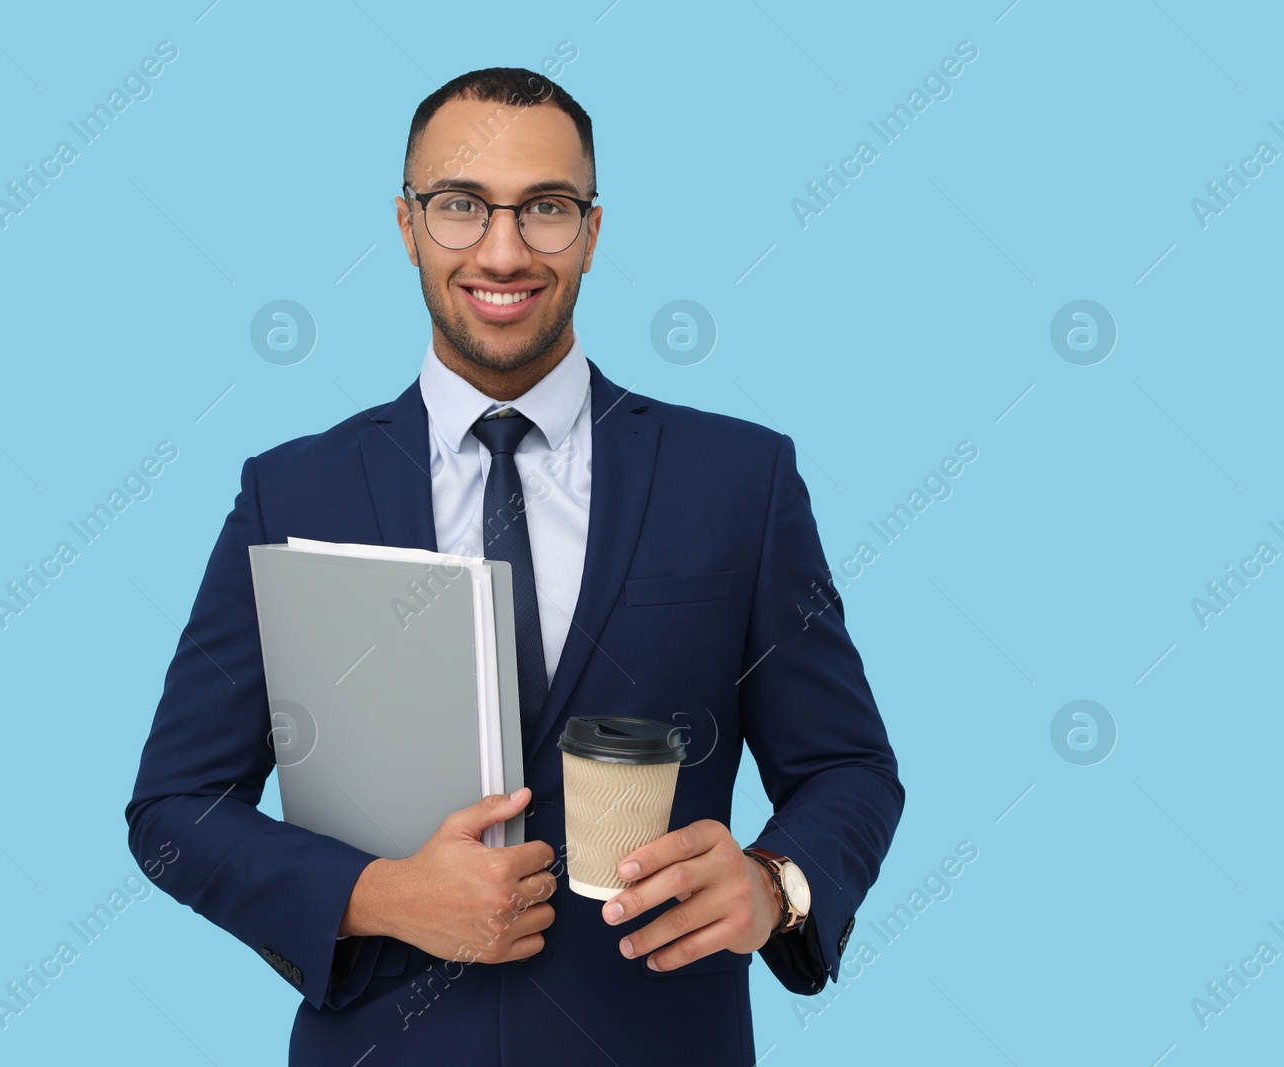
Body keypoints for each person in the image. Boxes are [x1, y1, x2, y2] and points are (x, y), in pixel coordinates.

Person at [126, 66, 903, 1065]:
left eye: (544, 207)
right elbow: (174, 808)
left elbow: (846, 766)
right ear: (406, 225)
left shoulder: (739, 479)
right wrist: (376, 893)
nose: (503, 249)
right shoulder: (292, 492)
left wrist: (774, 884)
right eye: (460, 206)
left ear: (590, 229)